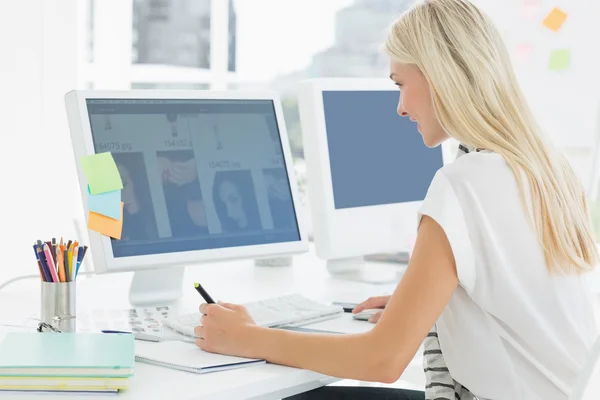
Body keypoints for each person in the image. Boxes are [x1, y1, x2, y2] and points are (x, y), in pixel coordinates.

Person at [192, 1, 599, 399]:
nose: (401, 108)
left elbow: (381, 360)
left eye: (400, 84)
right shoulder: (542, 165)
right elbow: (522, 297)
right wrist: (429, 303)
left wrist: (248, 339)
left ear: (442, 76)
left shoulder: (465, 181)